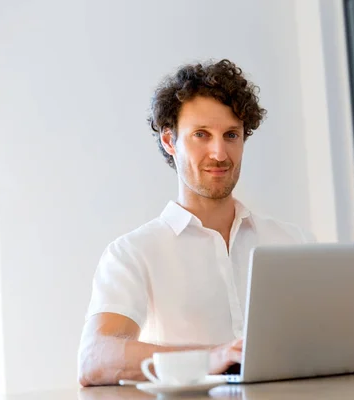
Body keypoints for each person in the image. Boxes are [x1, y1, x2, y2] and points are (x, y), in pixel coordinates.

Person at [77, 59, 314, 386]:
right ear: (170, 141)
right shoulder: (132, 253)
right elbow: (94, 357)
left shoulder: (295, 242)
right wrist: (212, 357)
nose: (219, 153)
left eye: (231, 134)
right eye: (201, 135)